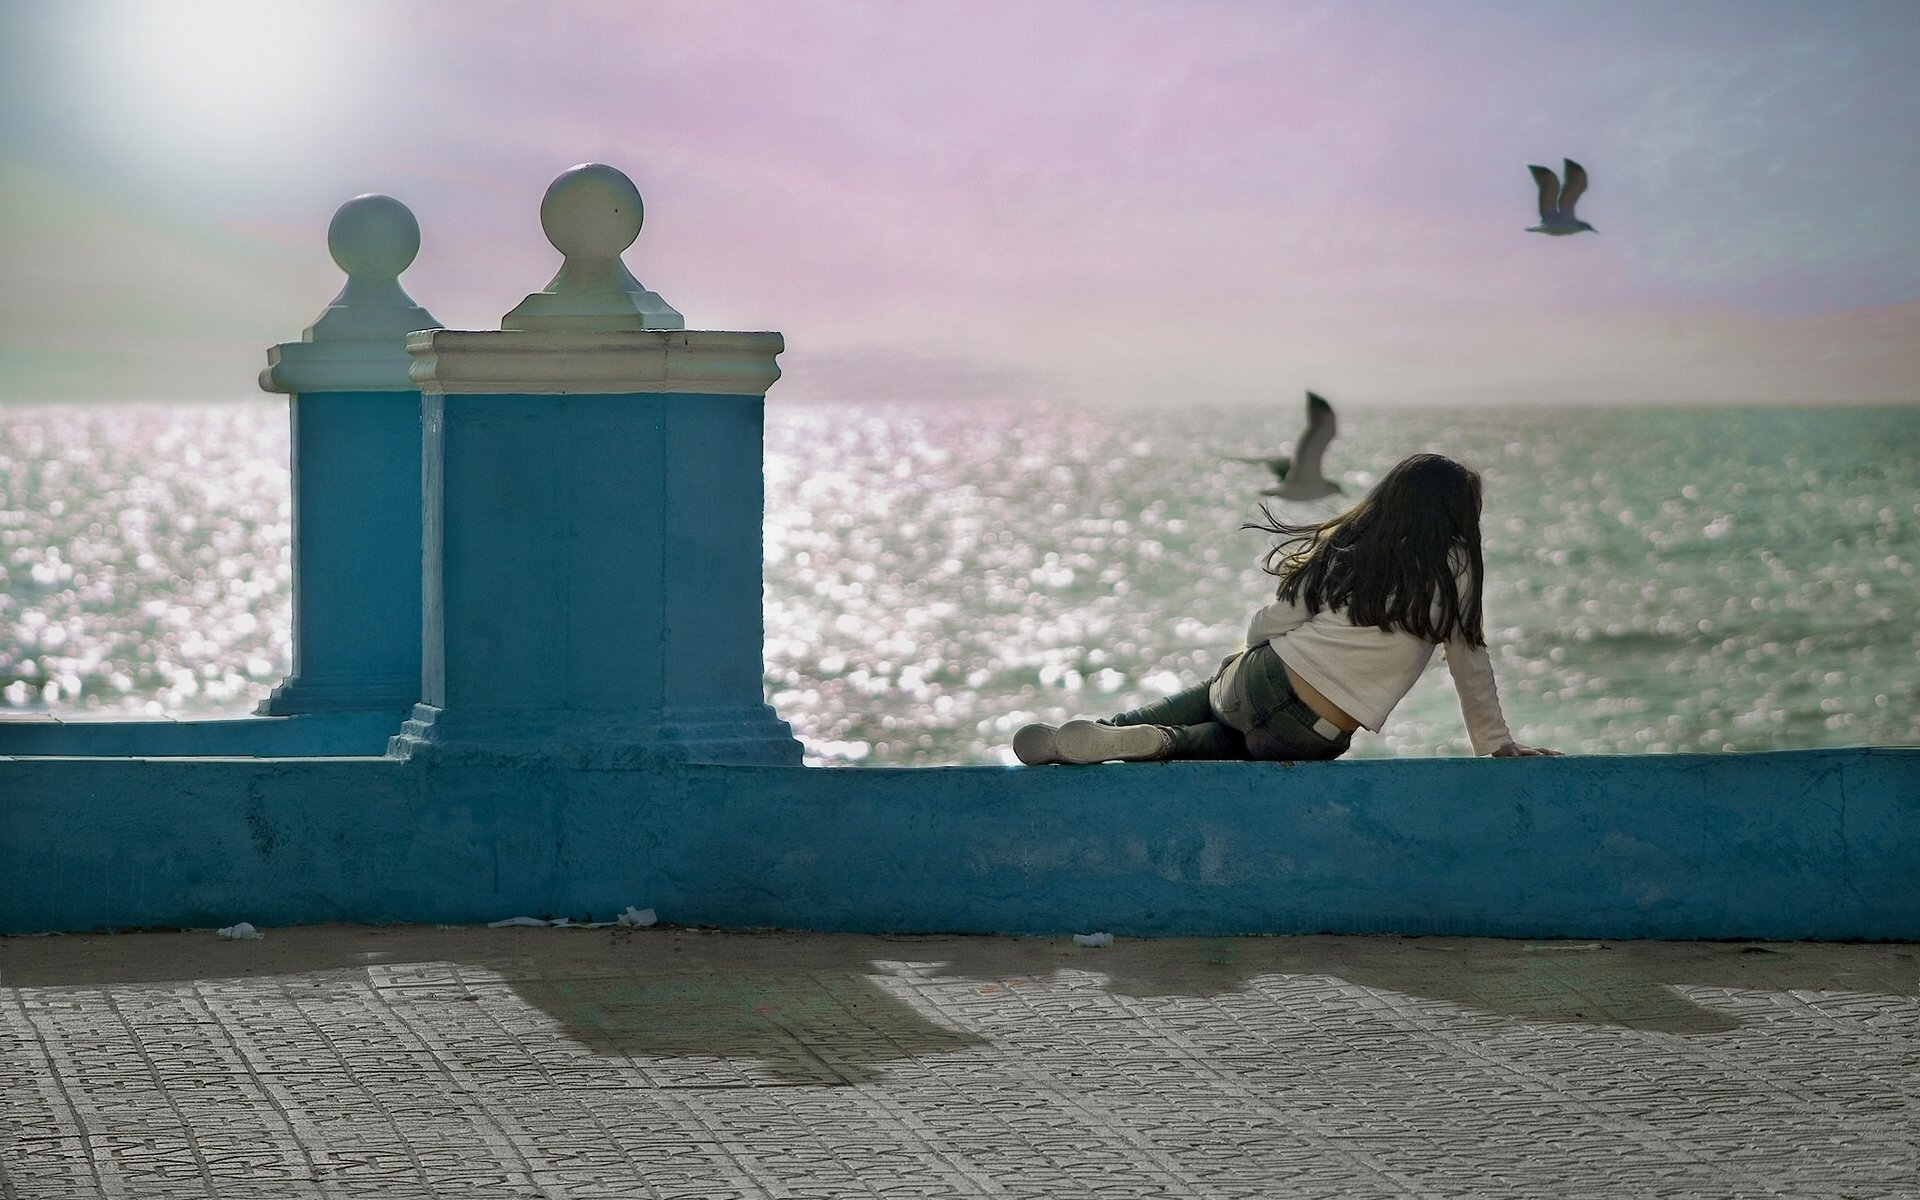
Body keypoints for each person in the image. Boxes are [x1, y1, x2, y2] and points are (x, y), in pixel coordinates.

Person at [1013, 453, 1558, 765]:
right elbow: (1470, 663)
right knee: (1239, 747)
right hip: (1316, 730)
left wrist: (1245, 661)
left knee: (1220, 692)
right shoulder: (1456, 567)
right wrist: (1495, 744)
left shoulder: (1355, 544)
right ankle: (1163, 742)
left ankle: (1105, 730)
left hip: (1268, 676)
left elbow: (1272, 622)